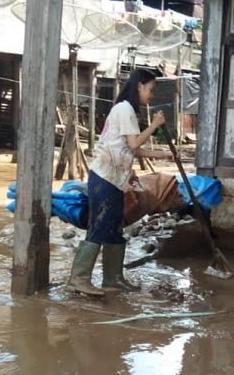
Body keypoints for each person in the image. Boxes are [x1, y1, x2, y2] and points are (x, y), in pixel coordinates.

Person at [67, 68, 174, 296]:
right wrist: (154, 125)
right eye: (151, 90)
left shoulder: (126, 111)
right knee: (100, 225)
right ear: (139, 86)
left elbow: (131, 148)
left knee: (115, 229)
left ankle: (113, 279)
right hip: (105, 178)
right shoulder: (125, 109)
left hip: (113, 179)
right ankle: (78, 279)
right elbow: (134, 144)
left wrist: (163, 156)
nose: (151, 96)